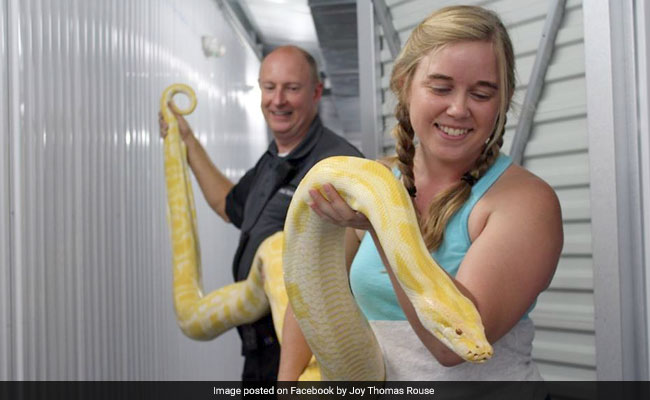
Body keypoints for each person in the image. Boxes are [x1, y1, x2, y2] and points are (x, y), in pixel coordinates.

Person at [278, 6, 563, 382]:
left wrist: (380, 230)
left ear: (502, 102)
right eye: (441, 88)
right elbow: (312, 288)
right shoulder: (370, 181)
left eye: (481, 93)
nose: (459, 109)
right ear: (403, 84)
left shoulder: (526, 203)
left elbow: (452, 348)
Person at [159, 45, 363, 382]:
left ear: (315, 92)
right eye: (269, 87)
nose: (278, 100)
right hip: (260, 351)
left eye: (291, 88)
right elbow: (229, 204)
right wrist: (187, 141)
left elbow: (354, 260)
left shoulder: (338, 164)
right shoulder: (273, 158)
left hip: (305, 356)